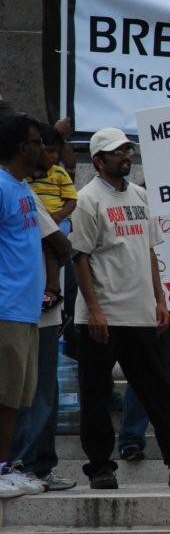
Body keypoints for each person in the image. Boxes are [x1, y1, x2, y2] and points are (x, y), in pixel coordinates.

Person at [69, 127, 170, 490]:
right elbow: (80, 258)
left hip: (140, 313)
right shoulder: (87, 200)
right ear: (99, 160)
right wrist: (95, 310)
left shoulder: (140, 195)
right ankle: (101, 466)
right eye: (118, 152)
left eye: (128, 150)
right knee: (97, 393)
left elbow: (149, 251)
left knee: (160, 391)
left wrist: (161, 299)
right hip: (102, 316)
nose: (126, 156)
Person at [9, 190, 76, 493]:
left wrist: (50, 286)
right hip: (18, 311)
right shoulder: (14, 189)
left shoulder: (22, 192)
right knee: (29, 393)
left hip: (35, 313)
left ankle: (31, 465)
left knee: (38, 394)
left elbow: (59, 245)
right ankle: (23, 464)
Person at [0, 114, 52, 498]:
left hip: (26, 310)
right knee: (3, 394)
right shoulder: (1, 187)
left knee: (17, 397)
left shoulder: (21, 187)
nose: (42, 148)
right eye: (36, 142)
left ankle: (7, 464)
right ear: (22, 148)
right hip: (6, 308)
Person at [27, 124, 76, 310]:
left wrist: (59, 216)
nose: (55, 157)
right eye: (49, 151)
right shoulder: (27, 177)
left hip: (59, 222)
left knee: (50, 247)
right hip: (41, 224)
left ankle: (53, 290)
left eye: (57, 152)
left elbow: (72, 199)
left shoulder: (59, 173)